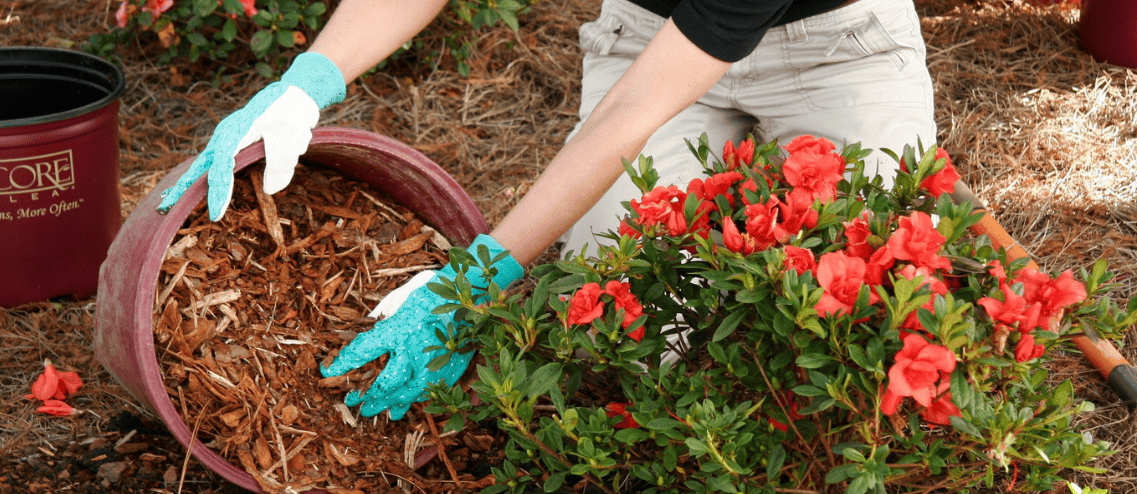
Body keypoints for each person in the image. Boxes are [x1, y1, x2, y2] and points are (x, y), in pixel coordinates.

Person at [157, 0, 937, 420]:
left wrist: (481, 276)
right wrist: (307, 82)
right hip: (650, 30)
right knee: (630, 314)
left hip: (837, 46)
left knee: (874, 316)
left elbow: (629, 115)